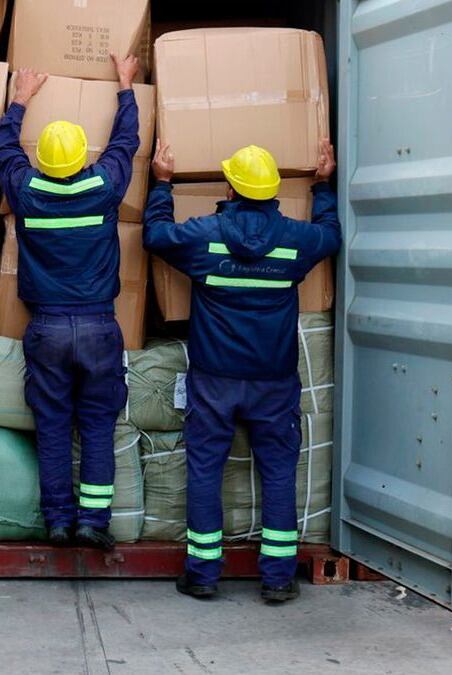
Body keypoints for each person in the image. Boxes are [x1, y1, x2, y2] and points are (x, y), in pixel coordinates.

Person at [143, 139, 341, 602]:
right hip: (274, 380)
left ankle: (203, 574)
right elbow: (331, 235)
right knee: (277, 472)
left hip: (214, 378)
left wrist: (162, 183)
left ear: (230, 188)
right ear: (272, 191)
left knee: (206, 470)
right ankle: (277, 579)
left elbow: (154, 235)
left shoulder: (204, 235)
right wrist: (324, 185)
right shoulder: (297, 239)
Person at [0, 55, 141, 551]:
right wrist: (125, 88)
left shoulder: (27, 190)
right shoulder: (103, 187)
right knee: (97, 425)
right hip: (99, 327)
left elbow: (3, 149)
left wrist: (20, 99)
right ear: (81, 158)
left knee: (53, 425)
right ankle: (93, 522)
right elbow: (126, 145)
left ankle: (57, 519)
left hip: (48, 329)